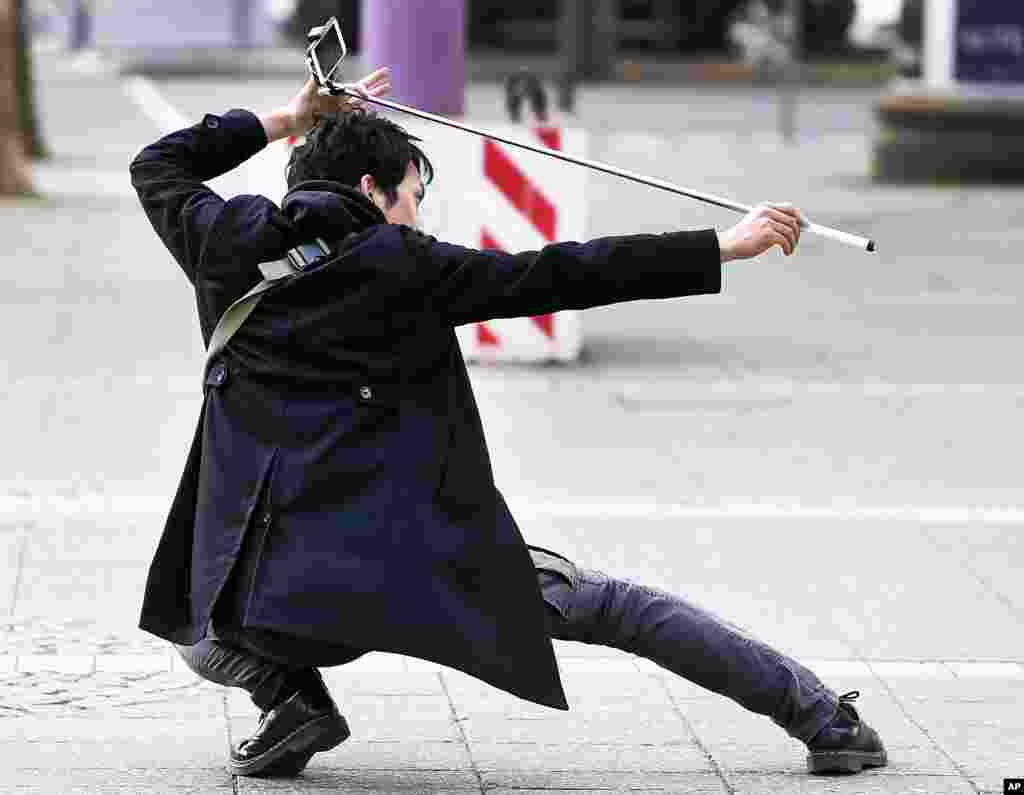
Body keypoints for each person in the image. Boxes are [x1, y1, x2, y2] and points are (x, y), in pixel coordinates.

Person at [130, 69, 887, 779]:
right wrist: (723, 243)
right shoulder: (407, 265)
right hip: (415, 569)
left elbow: (158, 164)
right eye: (412, 196)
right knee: (610, 605)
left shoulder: (223, 242)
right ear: (372, 189)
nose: (415, 214)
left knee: (193, 623)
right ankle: (824, 718)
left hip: (273, 601)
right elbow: (569, 271)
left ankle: (293, 702)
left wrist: (287, 118)